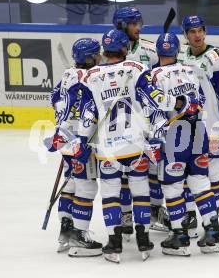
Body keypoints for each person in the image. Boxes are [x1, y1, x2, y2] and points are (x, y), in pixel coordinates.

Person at [74, 29, 198, 263]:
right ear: (124, 49)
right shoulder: (137, 69)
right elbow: (157, 99)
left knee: (110, 194)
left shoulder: (90, 77)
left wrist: (81, 141)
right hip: (135, 146)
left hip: (107, 150)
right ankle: (143, 239)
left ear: (104, 50)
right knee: (140, 190)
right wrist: (180, 102)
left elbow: (88, 114)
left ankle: (114, 242)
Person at [151, 32, 219, 256]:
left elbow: (151, 111)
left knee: (172, 186)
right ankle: (213, 232)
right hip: (198, 132)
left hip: (174, 136)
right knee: (200, 182)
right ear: (177, 50)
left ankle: (179, 236)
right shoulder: (190, 71)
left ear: (158, 52)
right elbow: (201, 101)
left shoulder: (153, 76)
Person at [177, 15, 219, 234]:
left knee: (213, 171)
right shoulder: (181, 53)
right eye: (192, 31)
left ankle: (214, 212)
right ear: (185, 34)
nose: (197, 35)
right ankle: (190, 213)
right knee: (187, 172)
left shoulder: (217, 56)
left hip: (211, 126)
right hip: (186, 125)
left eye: (200, 30)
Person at [44, 38, 103, 257]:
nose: (100, 57)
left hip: (65, 137)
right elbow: (92, 109)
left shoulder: (67, 75)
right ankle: (80, 235)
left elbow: (54, 98)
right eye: (97, 54)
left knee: (70, 186)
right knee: (86, 187)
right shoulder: (92, 78)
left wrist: (63, 129)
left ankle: (65, 231)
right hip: (82, 140)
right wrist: (83, 139)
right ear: (89, 57)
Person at [112, 6, 168, 234]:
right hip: (121, 120)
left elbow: (159, 82)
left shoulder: (149, 49)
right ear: (122, 25)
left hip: (146, 118)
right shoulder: (111, 49)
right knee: (124, 168)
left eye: (139, 23)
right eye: (134, 24)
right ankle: (125, 215)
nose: (139, 28)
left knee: (153, 166)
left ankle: (154, 210)